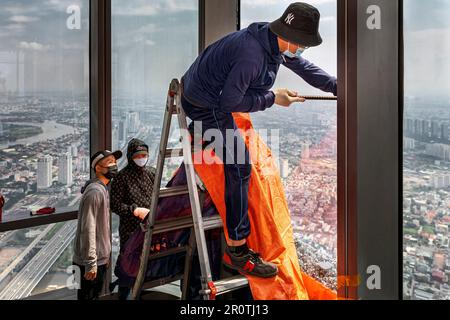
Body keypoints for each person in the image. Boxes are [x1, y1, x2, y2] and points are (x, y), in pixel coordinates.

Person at [181, 2, 337, 278]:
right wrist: (273, 98)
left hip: (211, 93)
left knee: (240, 159)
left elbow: (306, 69)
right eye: (303, 44)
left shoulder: (272, 41)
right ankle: (237, 251)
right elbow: (230, 102)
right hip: (205, 105)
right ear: (290, 37)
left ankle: (238, 244)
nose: (304, 49)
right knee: (240, 166)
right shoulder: (252, 55)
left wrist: (340, 86)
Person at [73, 149, 122, 300]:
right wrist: (91, 262)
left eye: (114, 161)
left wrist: (104, 257)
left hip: (97, 259)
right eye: (109, 162)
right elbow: (88, 229)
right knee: (87, 296)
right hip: (88, 262)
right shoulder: (95, 192)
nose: (114, 165)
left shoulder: (102, 188)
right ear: (98, 168)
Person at [110, 138, 156, 300]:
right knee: (127, 271)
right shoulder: (122, 177)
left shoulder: (152, 173)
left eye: (144, 155)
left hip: (149, 229)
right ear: (130, 156)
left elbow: (158, 198)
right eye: (138, 156)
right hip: (130, 231)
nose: (142, 158)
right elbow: (114, 205)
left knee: (145, 268)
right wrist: (134, 210)